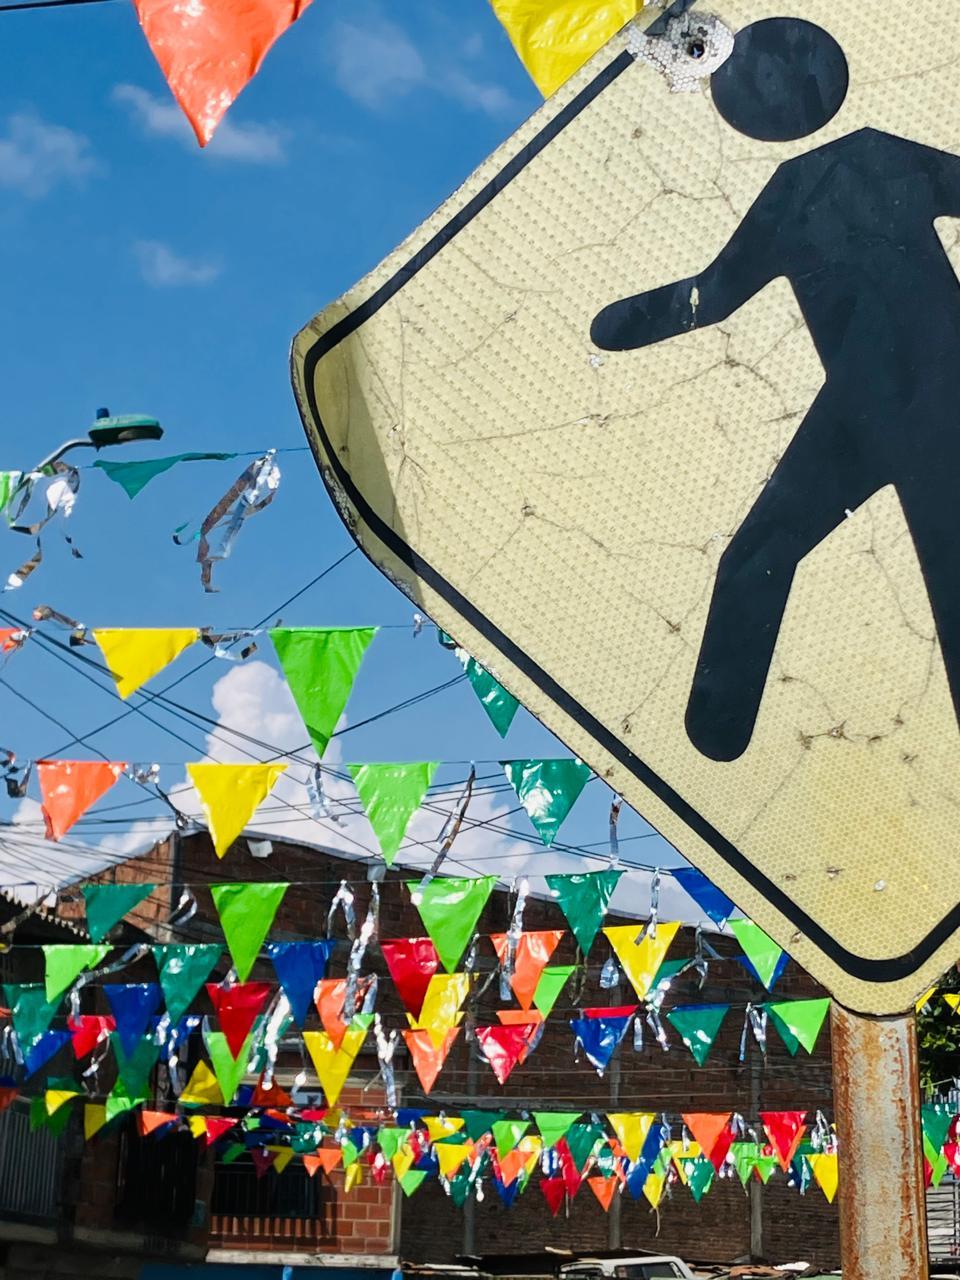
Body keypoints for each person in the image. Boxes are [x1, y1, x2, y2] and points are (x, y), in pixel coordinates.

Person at [592, 17, 960, 761]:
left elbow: (709, 295)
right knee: (759, 549)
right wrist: (621, 324)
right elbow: (714, 295)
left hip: (935, 389)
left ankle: (720, 729)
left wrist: (625, 323)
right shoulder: (806, 184)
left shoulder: (863, 160)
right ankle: (718, 733)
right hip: (863, 402)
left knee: (939, 567)